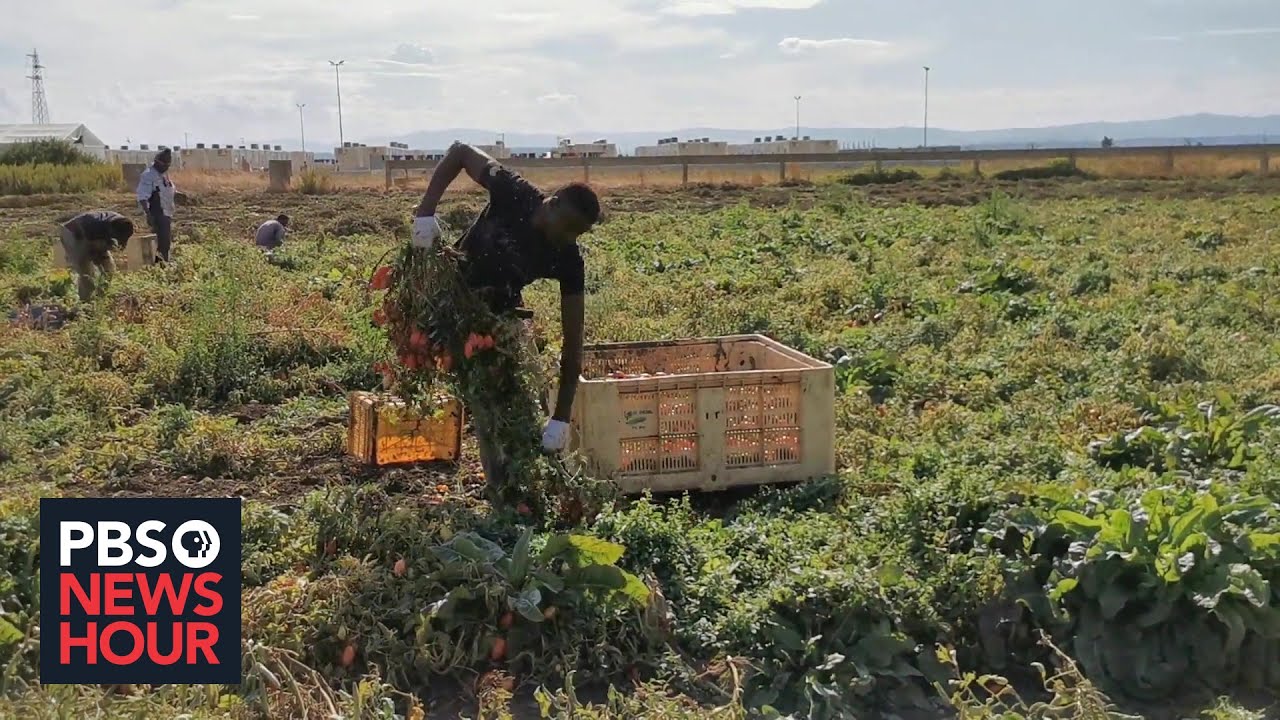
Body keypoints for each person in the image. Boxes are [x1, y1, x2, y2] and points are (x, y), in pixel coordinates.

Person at [412, 141, 601, 490]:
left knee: (509, 401)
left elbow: (573, 345)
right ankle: (504, 487)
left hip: (499, 318)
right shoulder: (515, 193)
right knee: (481, 396)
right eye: (568, 226)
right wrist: (425, 213)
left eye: (578, 233)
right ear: (552, 203)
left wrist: (561, 418)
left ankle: (511, 487)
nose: (569, 238)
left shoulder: (568, 260)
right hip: (453, 295)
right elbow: (458, 151)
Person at [58, 210, 134, 302]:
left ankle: (101, 298)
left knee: (109, 269)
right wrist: (97, 255)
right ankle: (86, 303)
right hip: (72, 233)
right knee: (87, 274)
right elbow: (91, 247)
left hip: (93, 236)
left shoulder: (124, 226)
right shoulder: (96, 225)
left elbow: (119, 243)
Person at [136, 148, 177, 263]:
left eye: (168, 166)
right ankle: (160, 266)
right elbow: (142, 197)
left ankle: (164, 263)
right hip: (157, 213)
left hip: (167, 213)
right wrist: (149, 215)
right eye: (165, 165)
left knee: (166, 242)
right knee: (162, 242)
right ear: (158, 162)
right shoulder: (149, 175)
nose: (166, 168)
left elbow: (167, 190)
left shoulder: (163, 174)